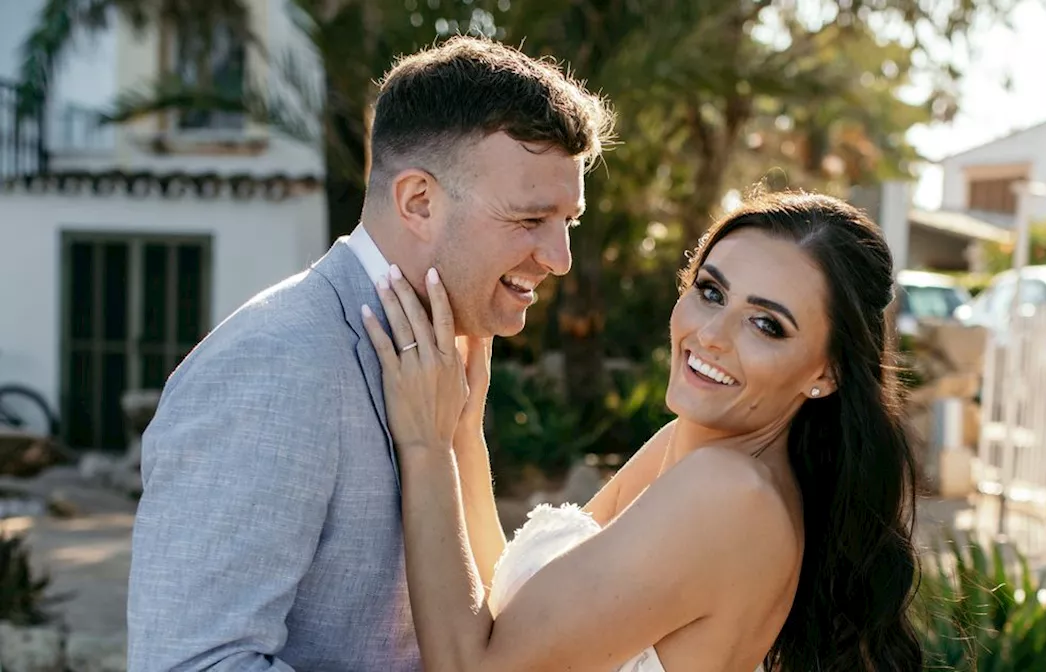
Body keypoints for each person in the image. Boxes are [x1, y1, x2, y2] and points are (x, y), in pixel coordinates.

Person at [126, 36, 613, 671]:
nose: (559, 259)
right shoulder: (276, 363)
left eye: (567, 223)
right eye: (529, 220)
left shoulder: (448, 354)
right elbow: (190, 663)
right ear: (419, 202)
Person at [364, 190, 923, 671]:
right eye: (710, 291)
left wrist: (426, 446)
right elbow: (503, 612)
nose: (711, 335)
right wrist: (463, 425)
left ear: (827, 372)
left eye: (766, 325)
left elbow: (471, 666)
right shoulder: (689, 448)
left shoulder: (730, 493)